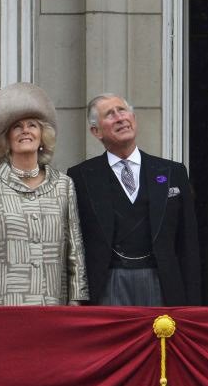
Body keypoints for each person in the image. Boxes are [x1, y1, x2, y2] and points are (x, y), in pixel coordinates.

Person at [0, 83, 88, 306]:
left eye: (32, 125)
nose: (25, 130)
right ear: (6, 140)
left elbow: (75, 253)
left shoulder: (63, 185)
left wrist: (76, 303)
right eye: (17, 127)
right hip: (3, 308)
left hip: (53, 308)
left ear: (42, 136)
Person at [67, 94, 200, 306]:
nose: (120, 118)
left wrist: (192, 305)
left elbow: (188, 243)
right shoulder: (80, 176)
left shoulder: (172, 172)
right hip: (106, 284)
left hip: (162, 283)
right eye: (110, 114)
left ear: (134, 119)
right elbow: (74, 243)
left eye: (123, 110)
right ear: (96, 131)